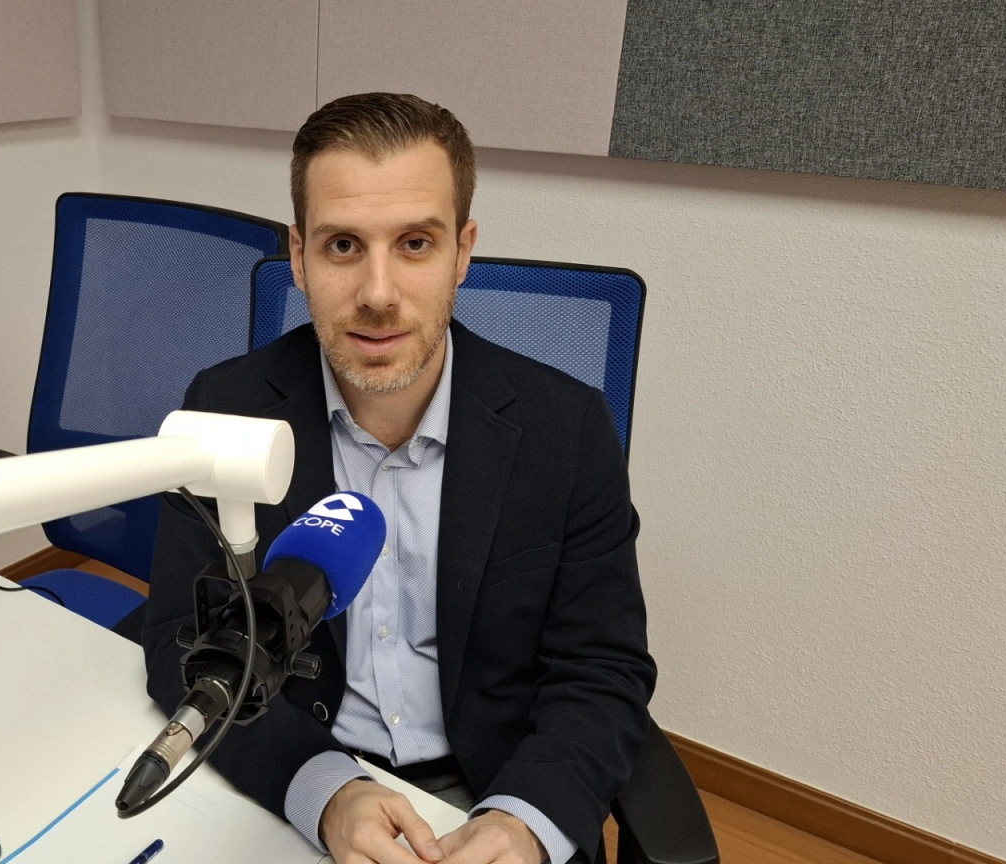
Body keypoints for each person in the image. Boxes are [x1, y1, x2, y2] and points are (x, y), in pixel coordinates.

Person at [141, 92, 655, 864]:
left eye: (415, 243)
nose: (378, 294)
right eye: (343, 245)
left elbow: (603, 668)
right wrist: (322, 789)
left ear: (463, 252)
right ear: (299, 257)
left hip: (497, 794)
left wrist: (526, 820)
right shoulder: (225, 411)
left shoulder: (567, 428)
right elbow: (179, 638)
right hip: (301, 780)